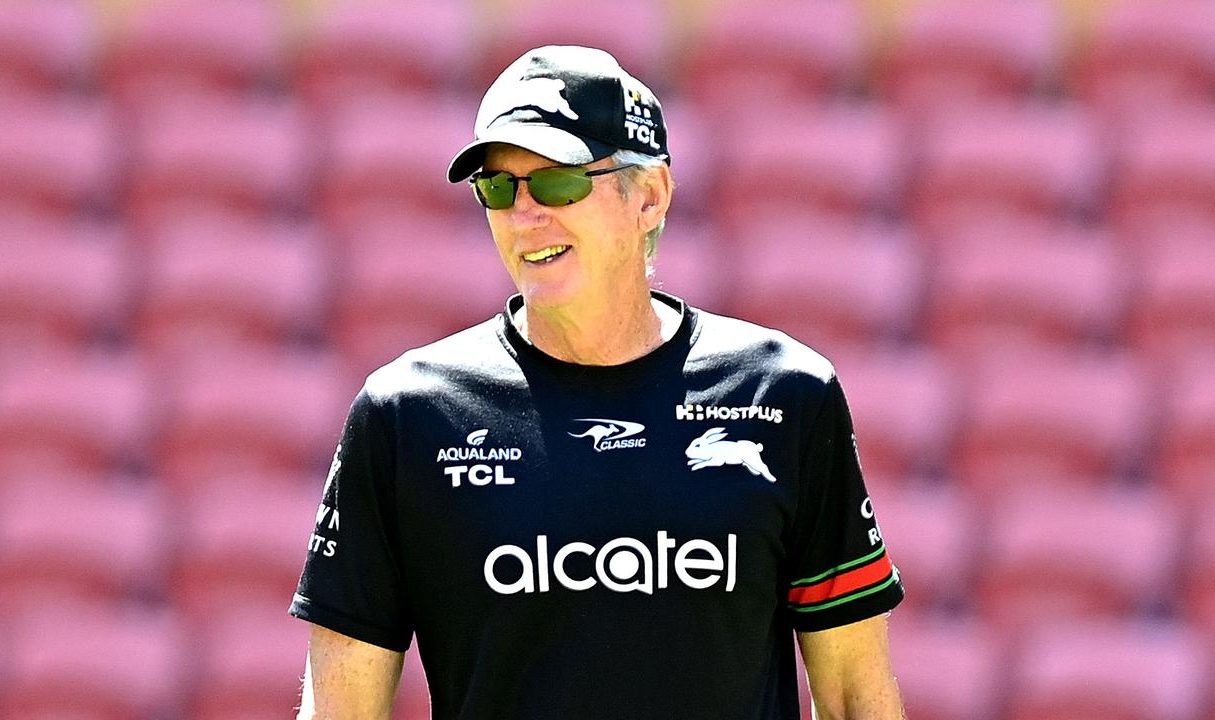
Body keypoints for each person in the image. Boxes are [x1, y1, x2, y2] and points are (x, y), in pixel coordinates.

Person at [291, 45, 906, 720]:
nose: (525, 215)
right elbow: (341, 708)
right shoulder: (405, 415)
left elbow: (852, 695)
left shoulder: (786, 395)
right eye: (498, 188)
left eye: (557, 183)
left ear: (649, 196)